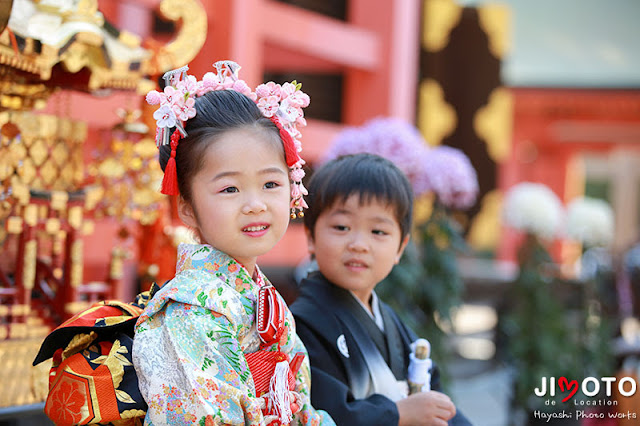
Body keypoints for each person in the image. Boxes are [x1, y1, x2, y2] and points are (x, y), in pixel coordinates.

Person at [132, 61, 334, 426]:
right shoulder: (192, 310)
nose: (255, 203)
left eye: (271, 184)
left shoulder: (260, 295)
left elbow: (300, 410)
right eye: (229, 189)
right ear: (187, 208)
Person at [290, 153, 471, 426]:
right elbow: (323, 414)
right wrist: (398, 414)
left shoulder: (390, 321)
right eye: (342, 227)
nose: (359, 244)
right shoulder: (303, 323)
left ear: (400, 247)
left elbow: (432, 399)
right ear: (311, 236)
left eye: (378, 232)